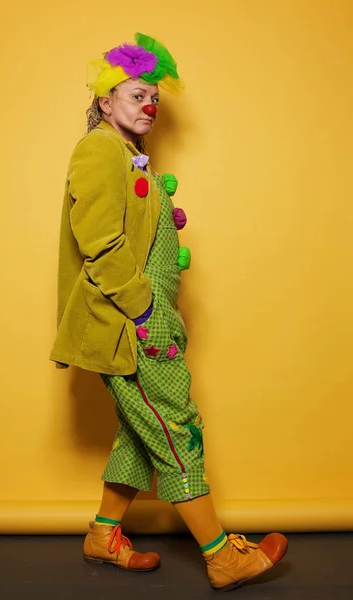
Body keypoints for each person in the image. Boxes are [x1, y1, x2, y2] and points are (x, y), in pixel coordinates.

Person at [50, 33, 288, 591]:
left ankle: (104, 535)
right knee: (175, 425)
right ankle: (221, 554)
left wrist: (160, 232)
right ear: (106, 102)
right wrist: (142, 307)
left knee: (141, 432)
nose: (149, 106)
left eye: (154, 97)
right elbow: (99, 243)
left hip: (151, 320)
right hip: (133, 324)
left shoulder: (129, 156)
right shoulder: (98, 149)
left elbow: (129, 230)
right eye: (137, 95)